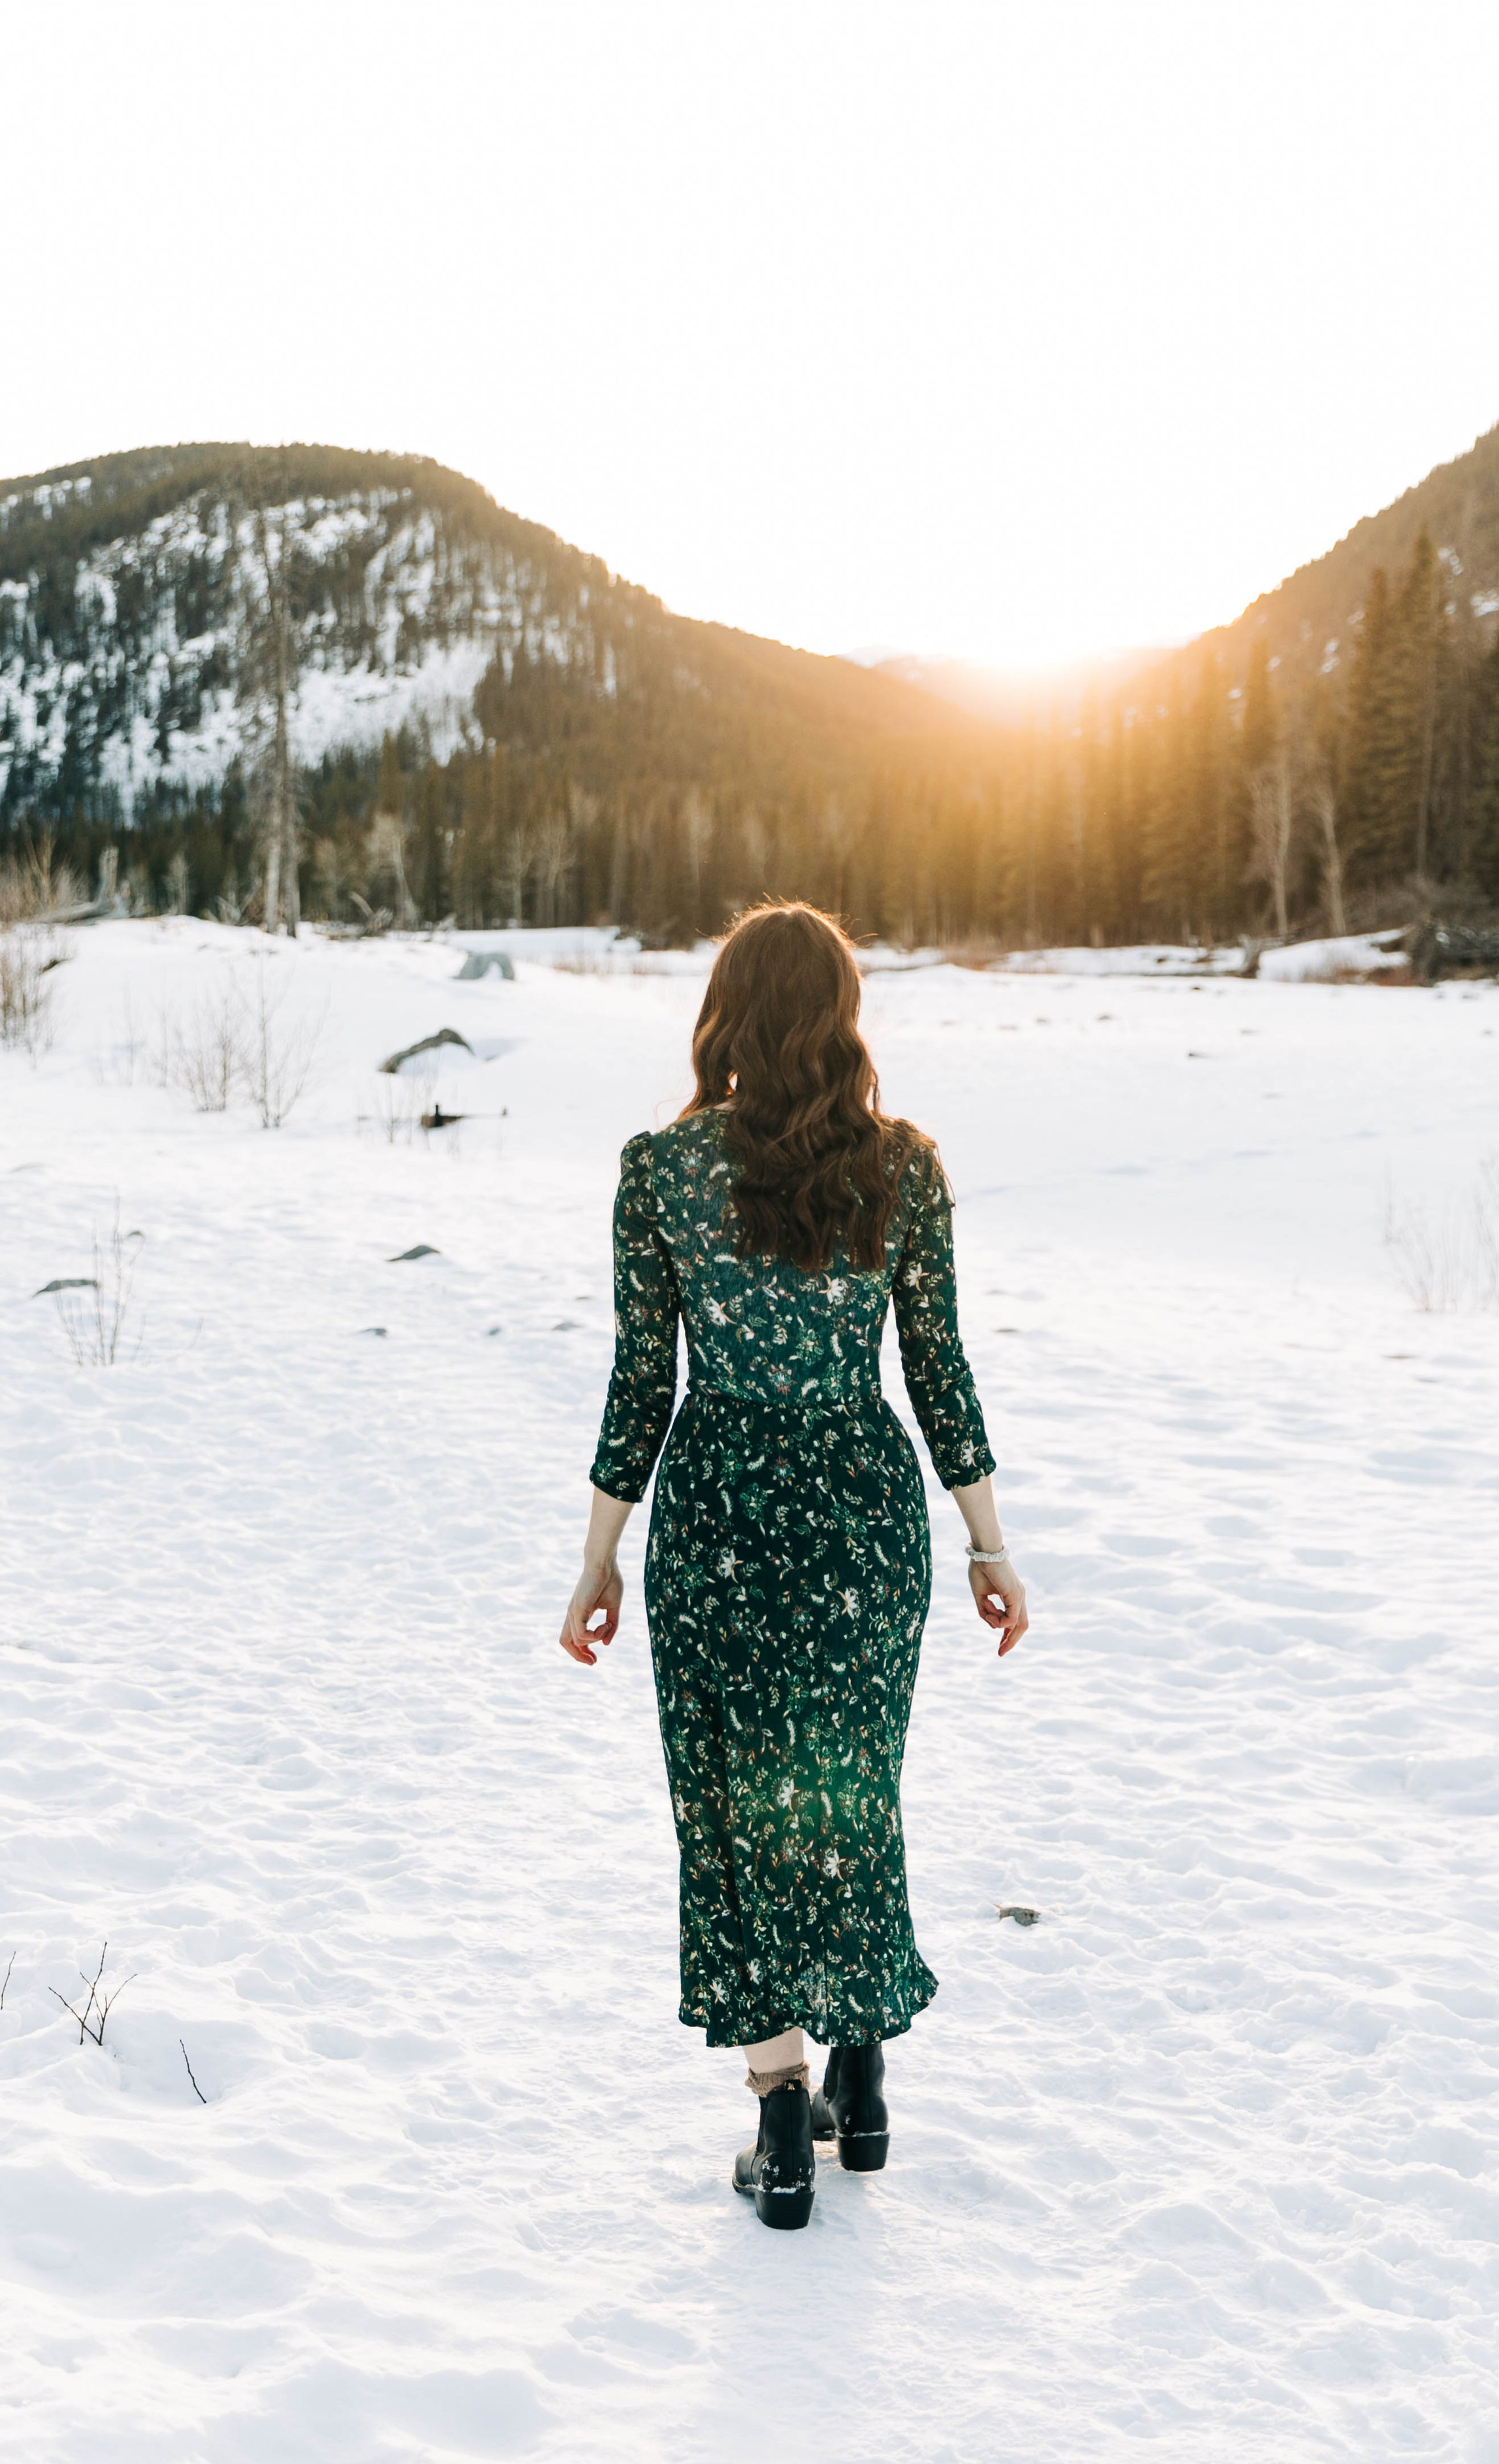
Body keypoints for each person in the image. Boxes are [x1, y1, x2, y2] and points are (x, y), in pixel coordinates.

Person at [560, 901, 1028, 2230]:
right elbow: (938, 1375)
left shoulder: (658, 1172)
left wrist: (596, 1562)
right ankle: (861, 2083)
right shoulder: (903, 1168)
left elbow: (640, 1383)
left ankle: (780, 2120)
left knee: (725, 1805)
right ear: (841, 1017)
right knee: (845, 1789)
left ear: (723, 1014)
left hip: (713, 1521)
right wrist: (987, 1544)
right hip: (863, 1521)